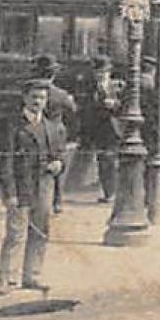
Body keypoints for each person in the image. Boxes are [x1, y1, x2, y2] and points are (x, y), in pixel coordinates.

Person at [0, 82, 65, 294]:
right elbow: (5, 162)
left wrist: (59, 164)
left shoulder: (52, 127)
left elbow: (59, 155)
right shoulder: (12, 126)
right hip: (21, 187)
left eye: (42, 98)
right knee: (16, 234)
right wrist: (9, 193)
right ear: (24, 98)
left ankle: (32, 276)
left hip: (44, 187)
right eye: (34, 97)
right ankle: (7, 280)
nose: (37, 102)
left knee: (40, 232)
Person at [26, 56, 78, 213]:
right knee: (57, 166)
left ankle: (32, 199)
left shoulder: (29, 92)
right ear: (53, 74)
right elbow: (73, 112)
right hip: (56, 134)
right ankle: (57, 202)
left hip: (34, 131)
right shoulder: (61, 95)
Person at [81, 58, 123, 202]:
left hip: (115, 128)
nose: (100, 76)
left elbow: (128, 105)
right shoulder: (89, 87)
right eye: (97, 73)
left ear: (109, 72)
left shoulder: (118, 86)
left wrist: (115, 104)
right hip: (98, 129)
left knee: (113, 161)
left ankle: (115, 192)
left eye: (103, 73)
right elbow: (85, 108)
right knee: (103, 161)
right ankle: (109, 193)